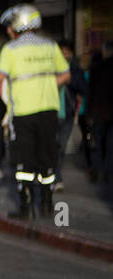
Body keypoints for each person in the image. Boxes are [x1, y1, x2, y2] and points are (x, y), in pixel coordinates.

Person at [0, 4, 70, 220]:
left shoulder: (10, 49)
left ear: (19, 24)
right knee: (47, 158)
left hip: (23, 112)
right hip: (49, 110)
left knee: (23, 161)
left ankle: (26, 207)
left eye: (11, 24)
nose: (9, 29)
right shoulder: (50, 45)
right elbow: (65, 76)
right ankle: (47, 204)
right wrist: (44, 84)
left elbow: (0, 78)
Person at [55, 40, 85, 190]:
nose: (65, 54)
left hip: (67, 113)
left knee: (60, 147)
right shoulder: (51, 69)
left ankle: (56, 177)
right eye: (62, 51)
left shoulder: (76, 70)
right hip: (51, 113)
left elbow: (82, 88)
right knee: (52, 146)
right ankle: (53, 177)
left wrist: (68, 78)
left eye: (67, 51)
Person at [87, 41, 113, 184]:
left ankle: (97, 171)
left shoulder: (97, 68)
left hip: (99, 113)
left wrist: (90, 114)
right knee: (110, 146)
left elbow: (91, 93)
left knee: (98, 144)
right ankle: (107, 173)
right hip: (107, 113)